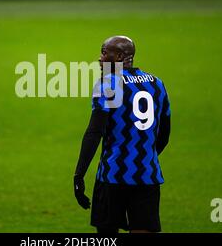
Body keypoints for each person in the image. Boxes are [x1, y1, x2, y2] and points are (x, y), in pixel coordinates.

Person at [73, 35, 171, 233]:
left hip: (113, 175)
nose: (99, 58)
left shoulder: (108, 84)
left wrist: (79, 174)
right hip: (147, 175)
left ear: (118, 57)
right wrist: (143, 158)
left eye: (104, 52)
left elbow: (94, 132)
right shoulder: (156, 84)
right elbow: (164, 134)